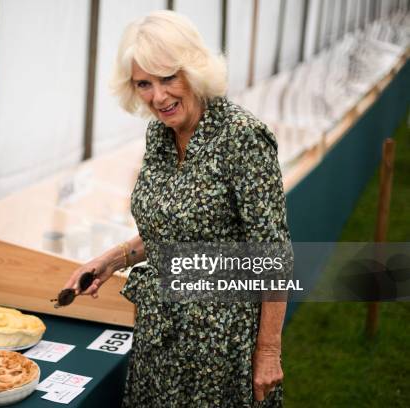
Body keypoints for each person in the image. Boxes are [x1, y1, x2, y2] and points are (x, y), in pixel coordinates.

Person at [63, 10, 290, 407]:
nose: (158, 97)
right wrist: (111, 261)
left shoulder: (242, 137)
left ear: (195, 70)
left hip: (221, 347)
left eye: (169, 78)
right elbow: (172, 228)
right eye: (144, 84)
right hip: (160, 337)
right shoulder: (160, 134)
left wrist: (268, 352)